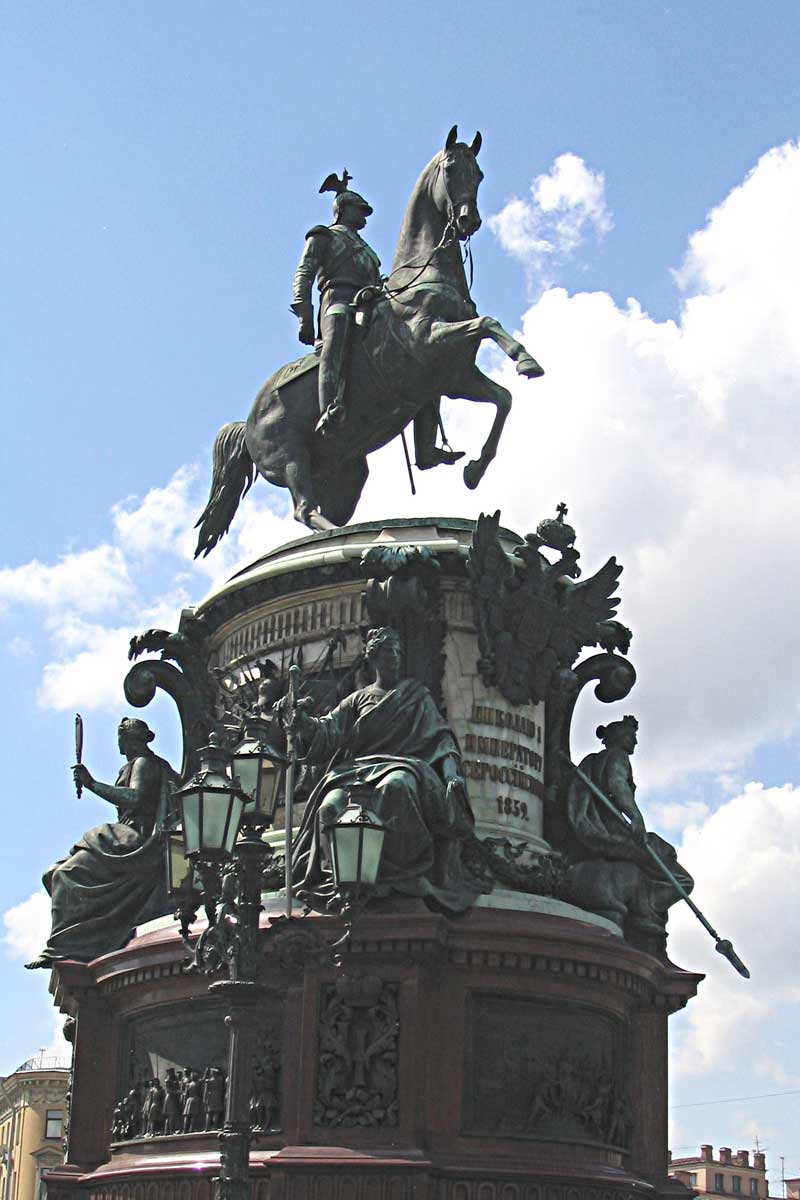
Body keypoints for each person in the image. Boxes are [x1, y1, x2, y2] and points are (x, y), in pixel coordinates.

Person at [282, 627, 480, 912]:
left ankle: (402, 876)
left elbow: (442, 739)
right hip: (356, 774)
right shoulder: (357, 699)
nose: (395, 658)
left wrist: (452, 775)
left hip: (403, 765)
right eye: (389, 653)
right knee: (328, 808)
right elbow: (328, 731)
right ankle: (341, 881)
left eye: (398, 653)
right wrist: (302, 723)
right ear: (373, 659)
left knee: (396, 787)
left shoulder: (416, 696)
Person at [26, 717, 178, 968]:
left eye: (121, 737)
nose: (118, 743)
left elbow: (135, 798)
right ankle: (80, 943)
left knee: (64, 875)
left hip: (135, 840)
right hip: (122, 836)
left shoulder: (143, 763)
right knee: (52, 874)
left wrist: (92, 784)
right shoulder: (134, 765)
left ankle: (62, 948)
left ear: (129, 739)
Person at [565, 716, 693, 938]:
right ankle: (645, 908)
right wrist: (636, 817)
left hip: (600, 826)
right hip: (612, 828)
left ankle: (642, 902)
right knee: (680, 877)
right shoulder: (617, 756)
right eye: (631, 737)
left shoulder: (594, 760)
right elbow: (617, 783)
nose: (635, 743)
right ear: (619, 738)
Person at [291, 174, 382, 437]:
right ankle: (329, 409)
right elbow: (304, 273)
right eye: (359, 210)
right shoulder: (323, 236)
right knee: (340, 323)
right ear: (342, 210)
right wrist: (304, 317)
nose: (364, 217)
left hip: (368, 304)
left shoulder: (369, 252)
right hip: (337, 300)